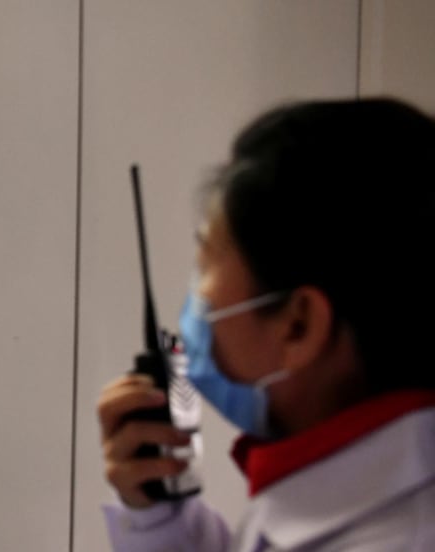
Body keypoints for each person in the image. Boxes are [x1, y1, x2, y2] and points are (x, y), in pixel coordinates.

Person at [98, 98, 435, 551]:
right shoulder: (336, 489)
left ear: (298, 325)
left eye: (207, 263)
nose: (199, 300)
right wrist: (156, 517)